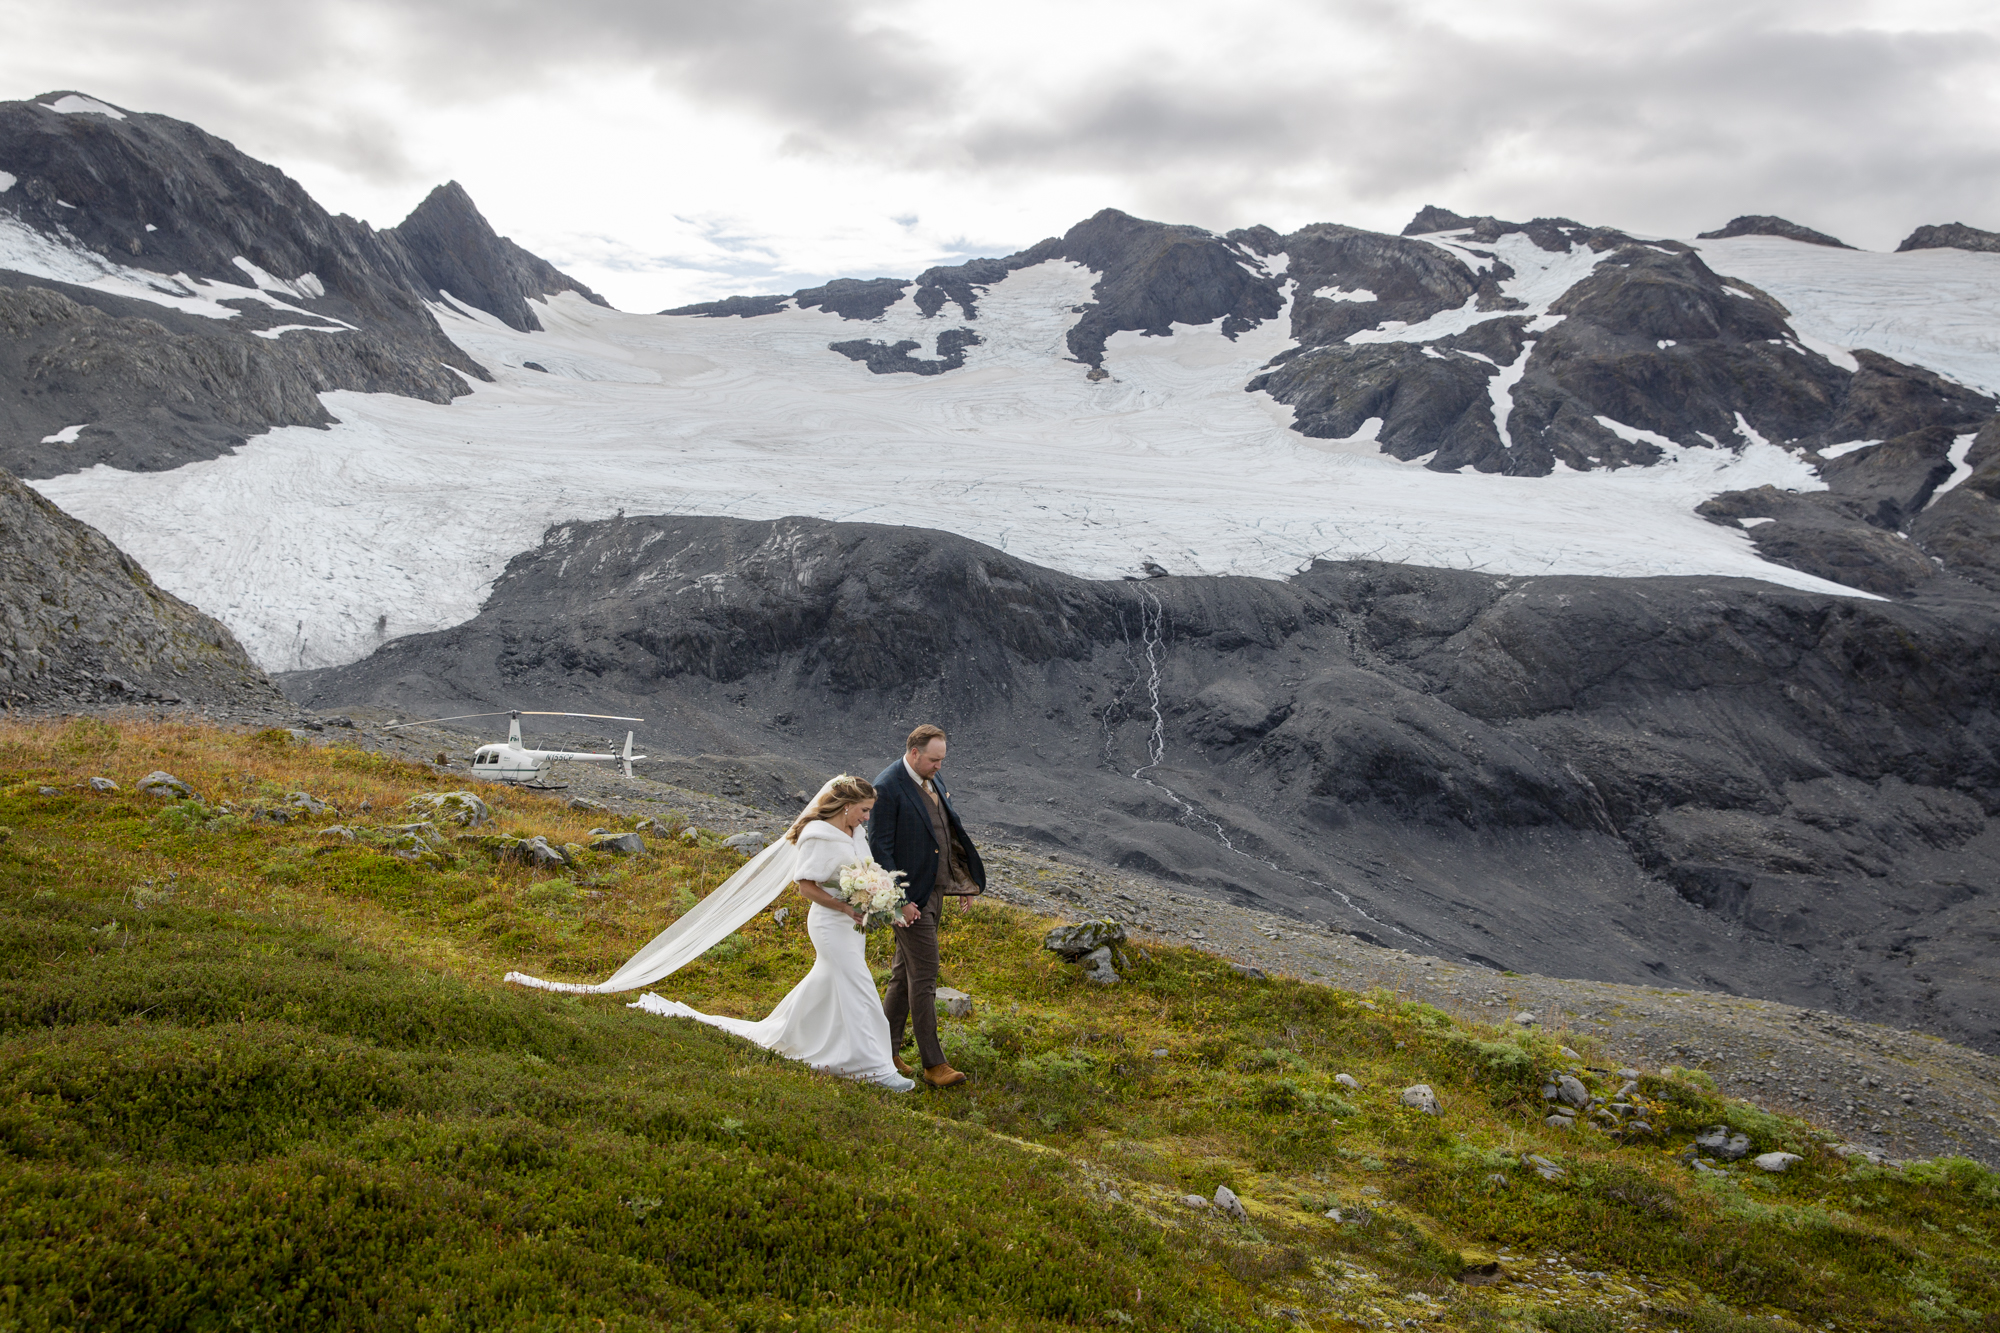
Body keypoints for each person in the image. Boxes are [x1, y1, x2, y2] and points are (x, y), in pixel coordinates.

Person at [625, 775, 916, 1091]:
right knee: (860, 988)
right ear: (846, 807)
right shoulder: (818, 836)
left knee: (826, 983)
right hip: (830, 925)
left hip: (852, 927)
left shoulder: (855, 832)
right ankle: (876, 1067)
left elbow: (865, 874)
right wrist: (845, 907)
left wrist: (881, 901)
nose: (867, 817)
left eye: (869, 811)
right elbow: (806, 887)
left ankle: (790, 1035)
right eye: (863, 810)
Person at [871, 724, 986, 1089]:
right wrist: (899, 902)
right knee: (925, 976)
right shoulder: (887, 787)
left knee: (904, 975)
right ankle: (933, 1064)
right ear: (914, 752)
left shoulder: (930, 779)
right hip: (910, 901)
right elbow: (880, 850)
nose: (940, 766)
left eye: (942, 760)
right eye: (934, 760)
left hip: (934, 891)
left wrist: (962, 881)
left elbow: (944, 835)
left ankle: (883, 1051)